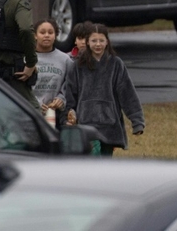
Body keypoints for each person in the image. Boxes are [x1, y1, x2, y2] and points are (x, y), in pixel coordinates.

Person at [66, 23, 144, 156]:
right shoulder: (78, 66)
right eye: (94, 40)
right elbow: (70, 92)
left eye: (101, 40)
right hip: (86, 123)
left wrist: (137, 121)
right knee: (93, 160)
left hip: (110, 124)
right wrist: (68, 115)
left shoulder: (116, 64)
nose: (98, 44)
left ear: (107, 42)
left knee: (105, 164)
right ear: (88, 42)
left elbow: (127, 93)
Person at [32, 18, 73, 128]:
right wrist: (35, 105)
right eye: (42, 32)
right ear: (35, 35)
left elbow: (70, 85)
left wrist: (61, 99)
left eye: (50, 32)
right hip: (31, 116)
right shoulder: (26, 59)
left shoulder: (65, 60)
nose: (46, 35)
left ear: (55, 35)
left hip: (57, 117)